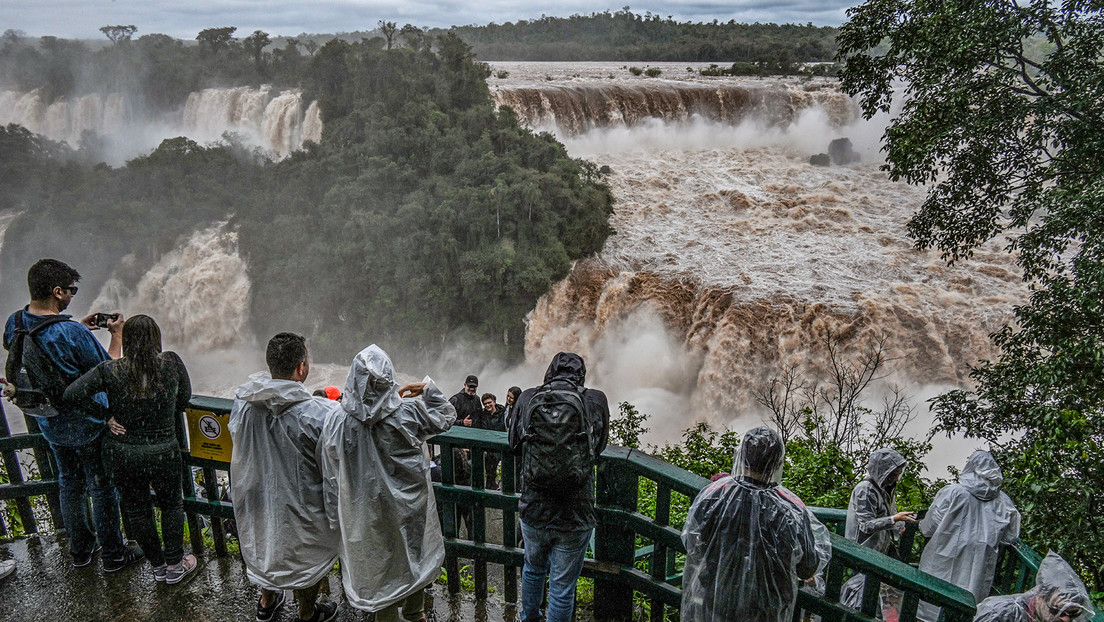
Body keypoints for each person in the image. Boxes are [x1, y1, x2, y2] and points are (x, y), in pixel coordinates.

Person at [2, 259, 140, 571]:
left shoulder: (15, 322)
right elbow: (110, 371)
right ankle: (114, 555)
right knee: (101, 485)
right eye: (71, 291)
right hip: (88, 422)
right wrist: (116, 335)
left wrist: (78, 326)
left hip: (48, 420)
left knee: (69, 481)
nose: (72, 295)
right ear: (57, 292)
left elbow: (42, 350)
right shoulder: (72, 333)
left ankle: (80, 550)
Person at [320, 345, 455, 621]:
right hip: (409, 506)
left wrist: (334, 512)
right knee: (414, 556)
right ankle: (415, 613)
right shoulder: (409, 413)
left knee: (378, 564)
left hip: (364, 509)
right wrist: (427, 388)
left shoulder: (336, 420)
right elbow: (447, 415)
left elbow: (330, 470)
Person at [63, 315, 197, 584]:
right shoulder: (171, 363)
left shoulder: (109, 370)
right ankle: (174, 565)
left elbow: (70, 396)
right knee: (172, 506)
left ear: (128, 340)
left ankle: (157, 567)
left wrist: (104, 416)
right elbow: (184, 399)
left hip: (123, 453)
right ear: (156, 337)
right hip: (163, 451)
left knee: (138, 510)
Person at [229, 333, 340, 622]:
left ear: (269, 365)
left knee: (265, 539)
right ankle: (306, 612)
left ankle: (267, 602)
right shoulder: (319, 414)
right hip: (303, 501)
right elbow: (332, 464)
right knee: (309, 555)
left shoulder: (245, 402)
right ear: (302, 367)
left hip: (258, 493)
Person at [681, 427, 829, 622]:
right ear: (777, 463)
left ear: (741, 456)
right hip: (766, 611)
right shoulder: (791, 509)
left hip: (718, 603)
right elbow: (807, 567)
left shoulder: (714, 495)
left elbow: (692, 544)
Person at [509, 352, 609, 622]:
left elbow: (513, 443)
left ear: (550, 371)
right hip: (576, 512)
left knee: (533, 569)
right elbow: (598, 448)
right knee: (563, 587)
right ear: (582, 374)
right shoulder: (595, 400)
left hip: (534, 507)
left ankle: (528, 618)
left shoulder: (528, 397)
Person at [916, 451, 1022, 622]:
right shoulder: (1003, 501)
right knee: (968, 601)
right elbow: (1010, 536)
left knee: (933, 602)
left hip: (944, 556)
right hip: (979, 562)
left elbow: (929, 527)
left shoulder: (953, 492)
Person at [840, 447, 918, 614]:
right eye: (894, 473)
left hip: (877, 552)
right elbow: (865, 525)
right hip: (862, 551)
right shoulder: (865, 490)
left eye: (898, 473)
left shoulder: (885, 489)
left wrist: (898, 527)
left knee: (873, 595)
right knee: (859, 594)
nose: (897, 478)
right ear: (882, 471)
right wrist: (894, 519)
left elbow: (887, 514)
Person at [974, 552, 1095, 622]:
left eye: (1073, 614)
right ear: (1039, 597)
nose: (1066, 620)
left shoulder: (1039, 616)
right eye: (1058, 611)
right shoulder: (1002, 613)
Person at [475, 392, 506, 489]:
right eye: (485, 404)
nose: (488, 405)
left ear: (494, 402)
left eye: (489, 402)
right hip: (489, 447)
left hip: (502, 444)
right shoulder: (483, 415)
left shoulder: (503, 412)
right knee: (490, 472)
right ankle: (491, 487)